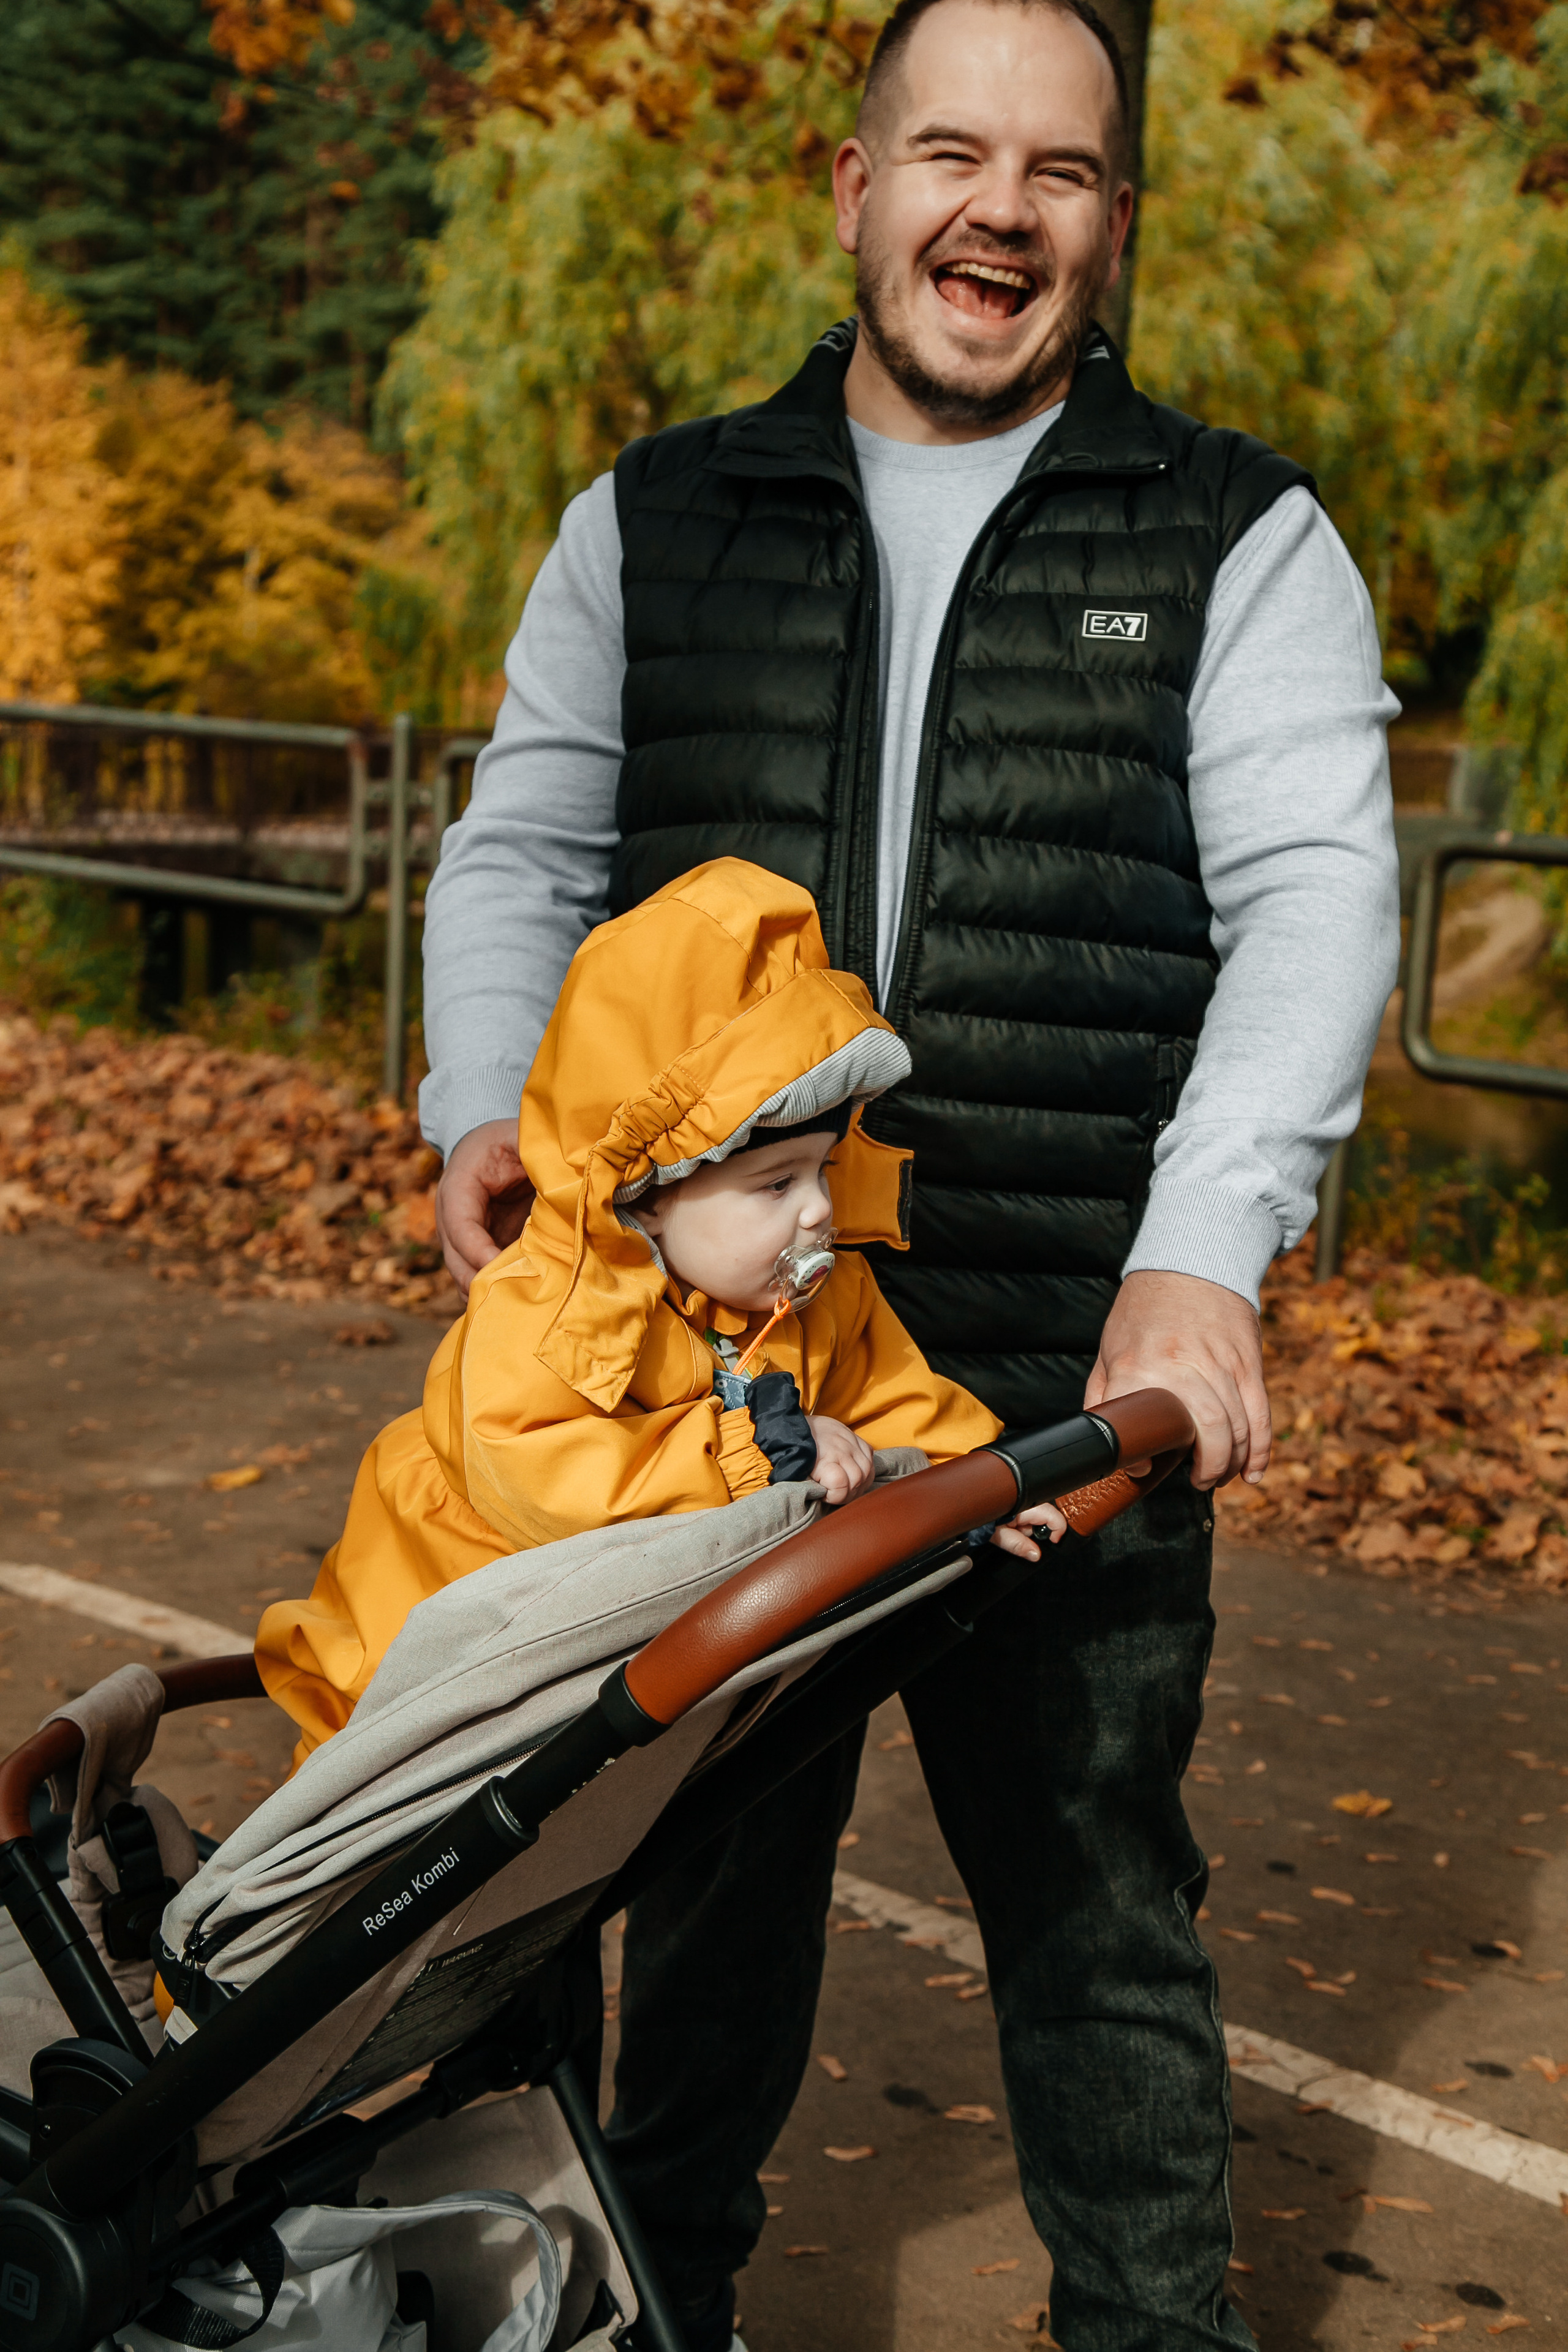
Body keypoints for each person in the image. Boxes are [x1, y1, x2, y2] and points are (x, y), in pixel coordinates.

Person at [417, 0, 1401, 2339]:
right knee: (689, 1898)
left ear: (1112, 230)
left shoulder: (1238, 534)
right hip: (701, 1383)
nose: (1000, 212)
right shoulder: (656, 513)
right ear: (854, 192)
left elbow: (1319, 904)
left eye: (1058, 173)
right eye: (950, 155)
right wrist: (486, 1104)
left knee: (1094, 1919)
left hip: (1056, 1367)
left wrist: (1200, 1262)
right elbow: (523, 847)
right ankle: (660, 2308)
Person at [257, 859, 1060, 1762]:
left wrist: (972, 1490)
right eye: (773, 1184)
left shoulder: (818, 1299)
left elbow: (898, 1404)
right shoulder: (551, 1308)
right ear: (645, 1196)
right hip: (433, 1683)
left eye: (824, 1171)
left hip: (602, 1694)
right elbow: (543, 1483)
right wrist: (762, 1452)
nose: (817, 1212)